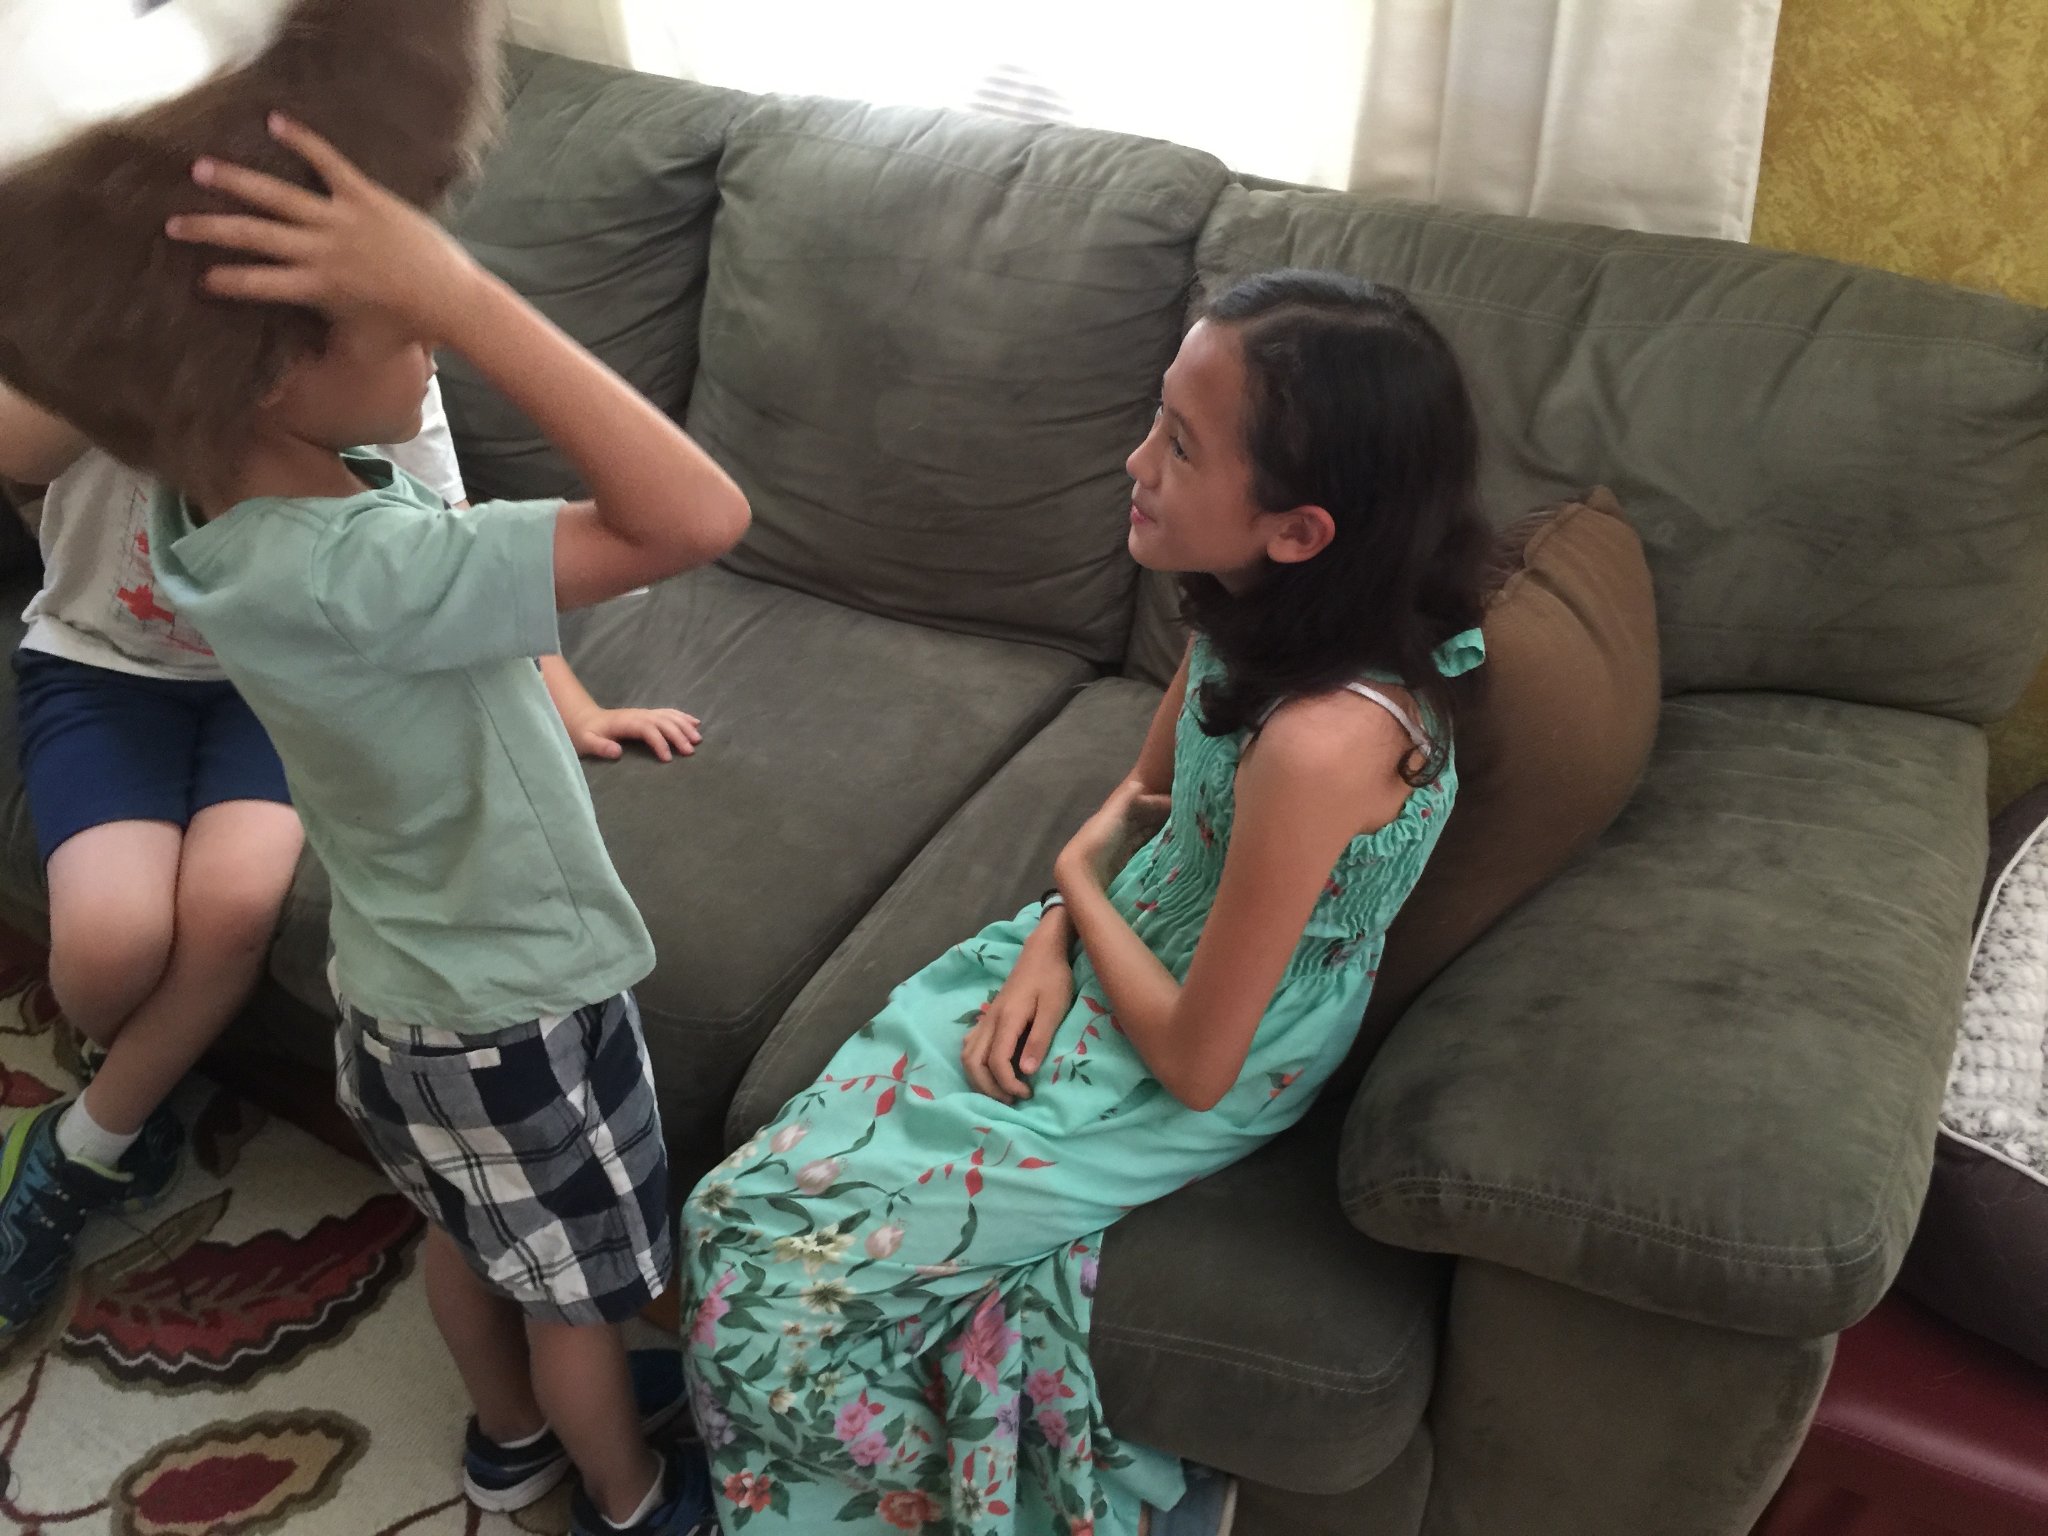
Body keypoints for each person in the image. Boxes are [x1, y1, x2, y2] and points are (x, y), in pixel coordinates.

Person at [679, 269, 1493, 1536]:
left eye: (1178, 444)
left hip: (1213, 1039)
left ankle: (962, 1502)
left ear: (1297, 529)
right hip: (1133, 930)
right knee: (743, 1212)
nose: (1134, 462)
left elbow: (1201, 1064)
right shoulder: (1252, 612)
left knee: (751, 1269)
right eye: (1155, 419)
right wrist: (1050, 940)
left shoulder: (1323, 742)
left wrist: (1070, 880)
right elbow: (1146, 793)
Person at [133, 114, 746, 1534]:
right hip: (516, 1005)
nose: (430, 347)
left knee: (470, 1235)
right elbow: (695, 514)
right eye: (404, 319)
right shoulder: (372, 565)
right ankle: (626, 1492)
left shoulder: (207, 518)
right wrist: (467, 300)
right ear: (274, 374)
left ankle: (511, 1440)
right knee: (582, 1300)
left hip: (396, 997)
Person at [0, 377, 703, 1353]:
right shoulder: (106, 335)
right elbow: (20, 446)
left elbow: (452, 543)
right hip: (100, 667)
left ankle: (85, 1143)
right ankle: (120, 1089)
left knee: (233, 903)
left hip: (275, 674)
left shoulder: (357, 381)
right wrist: (144, 332)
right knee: (107, 949)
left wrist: (575, 706)